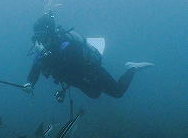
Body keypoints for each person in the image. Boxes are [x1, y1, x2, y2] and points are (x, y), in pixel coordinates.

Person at [23, 12, 153, 99]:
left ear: (51, 36)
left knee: (118, 92)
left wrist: (46, 55)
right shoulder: (40, 54)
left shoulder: (65, 45)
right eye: (36, 39)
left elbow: (76, 64)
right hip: (77, 82)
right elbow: (35, 70)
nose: (40, 43)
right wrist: (30, 83)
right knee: (95, 95)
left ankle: (132, 68)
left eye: (43, 39)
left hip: (91, 73)